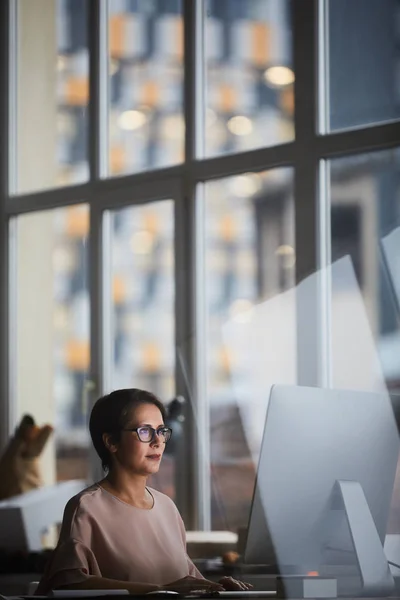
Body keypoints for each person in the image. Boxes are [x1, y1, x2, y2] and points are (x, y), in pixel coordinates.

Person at [36, 389, 252, 595]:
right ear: (111, 441)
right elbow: (67, 585)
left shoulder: (167, 507)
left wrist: (216, 587)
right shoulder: (86, 508)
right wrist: (157, 591)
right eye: (145, 431)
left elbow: (184, 581)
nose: (158, 441)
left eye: (161, 431)